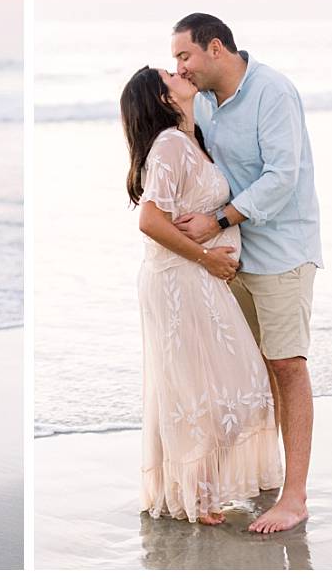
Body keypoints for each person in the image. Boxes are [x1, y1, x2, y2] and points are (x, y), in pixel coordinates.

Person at [170, 13, 322, 534]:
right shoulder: (205, 102)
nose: (179, 67)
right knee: (251, 372)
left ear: (215, 48)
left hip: (282, 251)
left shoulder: (273, 92)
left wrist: (216, 220)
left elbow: (284, 176)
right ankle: (262, 475)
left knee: (287, 367)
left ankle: (295, 497)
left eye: (184, 56)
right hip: (233, 257)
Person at [121, 65, 284, 526]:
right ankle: (195, 492)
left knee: (223, 383)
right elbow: (149, 221)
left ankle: (197, 487)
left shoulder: (192, 140)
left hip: (195, 279)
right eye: (168, 73)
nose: (180, 71)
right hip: (180, 280)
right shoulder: (170, 144)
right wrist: (206, 257)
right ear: (160, 97)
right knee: (207, 385)